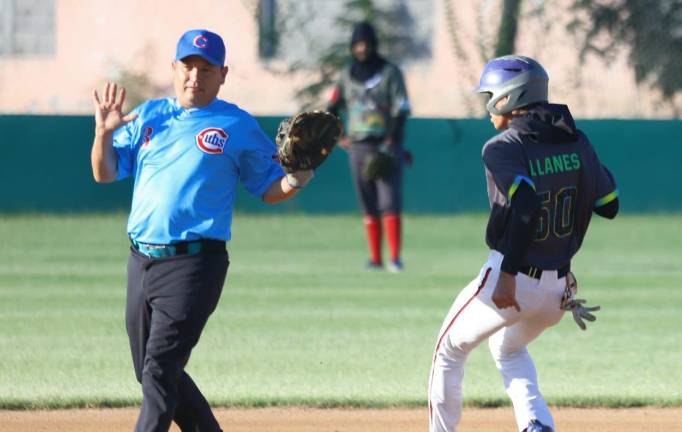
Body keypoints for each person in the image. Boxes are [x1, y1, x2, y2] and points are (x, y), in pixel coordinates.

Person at [90, 29, 314, 432]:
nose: (195, 76)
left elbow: (268, 188)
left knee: (159, 368)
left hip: (194, 265)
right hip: (141, 261)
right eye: (188, 66)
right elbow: (104, 173)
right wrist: (103, 134)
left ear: (222, 74)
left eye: (206, 69)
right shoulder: (148, 115)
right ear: (174, 69)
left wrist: (296, 179)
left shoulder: (236, 124)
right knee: (150, 369)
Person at [427, 55, 619, 432]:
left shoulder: (502, 147)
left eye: (490, 95)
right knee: (508, 348)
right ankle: (535, 423)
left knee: (448, 350)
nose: (487, 106)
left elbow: (527, 204)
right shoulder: (578, 141)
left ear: (508, 98)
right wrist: (580, 158)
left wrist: (508, 274)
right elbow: (609, 205)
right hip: (558, 290)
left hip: (513, 278)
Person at [327, 21, 411, 272]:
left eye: (366, 44)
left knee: (389, 200)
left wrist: (393, 139)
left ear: (374, 44)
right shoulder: (346, 75)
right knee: (368, 202)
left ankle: (395, 258)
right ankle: (375, 259)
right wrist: (338, 136)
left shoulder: (390, 72)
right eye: (358, 44)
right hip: (358, 145)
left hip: (385, 144)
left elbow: (402, 108)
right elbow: (332, 107)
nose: (362, 48)